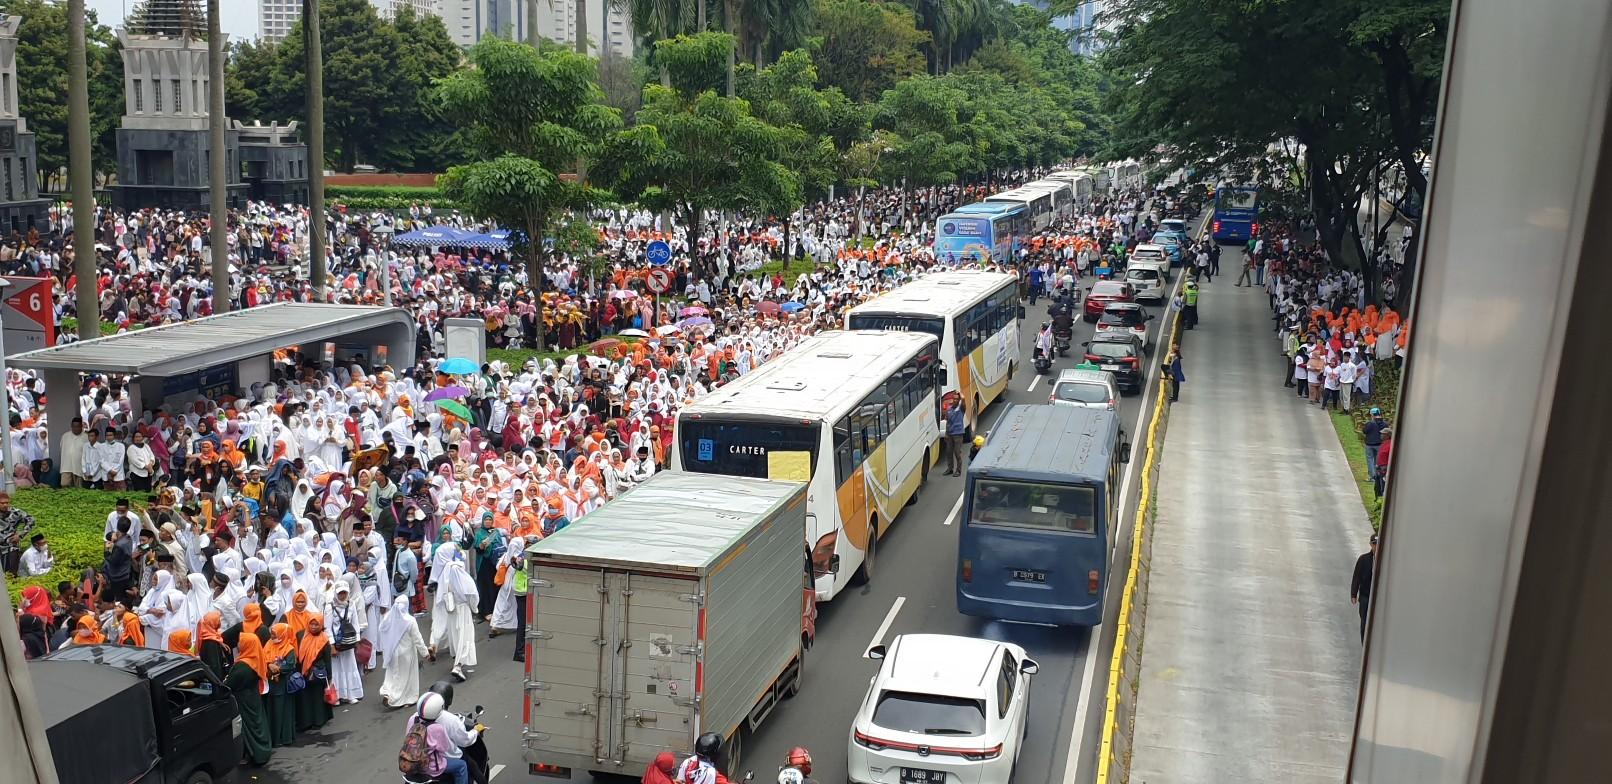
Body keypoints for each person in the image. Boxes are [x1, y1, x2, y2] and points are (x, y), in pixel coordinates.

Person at [429, 543, 479, 682]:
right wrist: (474, 606)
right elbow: (469, 590)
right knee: (465, 636)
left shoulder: (444, 571)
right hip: (462, 607)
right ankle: (458, 665)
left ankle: (457, 660)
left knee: (456, 635)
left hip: (451, 608)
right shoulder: (456, 569)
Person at [225, 633, 274, 765]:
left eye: (241, 642)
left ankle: (256, 754)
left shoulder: (242, 666)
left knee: (248, 728)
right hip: (254, 697)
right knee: (257, 723)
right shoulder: (256, 659)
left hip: (243, 701)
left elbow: (229, 684)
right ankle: (263, 750)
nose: (238, 644)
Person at [403, 692, 469, 784]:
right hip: (432, 767)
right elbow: (444, 748)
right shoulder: (436, 728)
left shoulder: (413, 719)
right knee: (462, 766)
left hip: (413, 764)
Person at [378, 594, 428, 707]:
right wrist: (425, 653)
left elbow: (382, 630)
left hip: (392, 652)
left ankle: (387, 692)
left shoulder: (388, 618)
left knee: (392, 674)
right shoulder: (410, 621)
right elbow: (418, 639)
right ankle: (402, 699)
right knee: (406, 677)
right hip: (407, 653)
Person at [262, 622, 300, 747]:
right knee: (272, 710)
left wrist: (277, 668)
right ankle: (273, 738)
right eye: (271, 634)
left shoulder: (289, 648)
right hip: (271, 684)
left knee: (282, 711)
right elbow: (263, 658)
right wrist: (268, 665)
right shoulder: (268, 644)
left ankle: (283, 738)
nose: (272, 636)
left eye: (275, 634)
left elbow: (290, 665)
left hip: (283, 684)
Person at [294, 613, 335, 731]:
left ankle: (318, 721)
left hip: (317, 673)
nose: (313, 627)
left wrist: (330, 677)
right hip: (304, 672)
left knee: (317, 697)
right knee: (305, 698)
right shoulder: (301, 635)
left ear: (321, 625)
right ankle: (306, 722)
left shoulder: (324, 639)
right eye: (311, 624)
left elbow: (327, 659)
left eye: (316, 624)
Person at [0, 490, 37, 576]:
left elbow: (31, 520)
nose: (5, 505)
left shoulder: (15, 512)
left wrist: (20, 535)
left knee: (11, 573)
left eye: (7, 503)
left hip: (11, 545)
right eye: (2, 503)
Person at [1351, 534, 1378, 641]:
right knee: (1364, 622)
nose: (1376, 546)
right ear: (1371, 544)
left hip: (1377, 597)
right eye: (1374, 544)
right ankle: (1364, 644)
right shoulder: (1364, 559)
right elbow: (1356, 577)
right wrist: (1354, 593)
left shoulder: (1385, 562)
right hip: (1365, 596)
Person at [197, 610, 233, 679]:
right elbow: (215, 667)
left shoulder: (213, 637)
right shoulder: (210, 643)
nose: (220, 622)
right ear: (213, 623)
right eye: (218, 620)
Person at [943, 397, 967, 476]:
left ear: (959, 401)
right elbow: (948, 422)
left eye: (957, 399)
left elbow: (963, 402)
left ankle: (958, 470)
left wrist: (962, 398)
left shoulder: (961, 409)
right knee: (949, 452)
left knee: (957, 453)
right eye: (954, 399)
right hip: (950, 434)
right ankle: (950, 468)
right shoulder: (949, 410)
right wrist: (946, 433)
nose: (955, 400)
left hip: (958, 434)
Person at [1362, 408, 1387, 481]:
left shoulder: (1370, 423)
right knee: (1377, 460)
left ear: (1372, 414)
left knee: (1370, 460)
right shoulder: (1385, 423)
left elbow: (1364, 431)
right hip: (1379, 445)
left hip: (1369, 444)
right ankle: (1377, 475)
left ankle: (1372, 476)